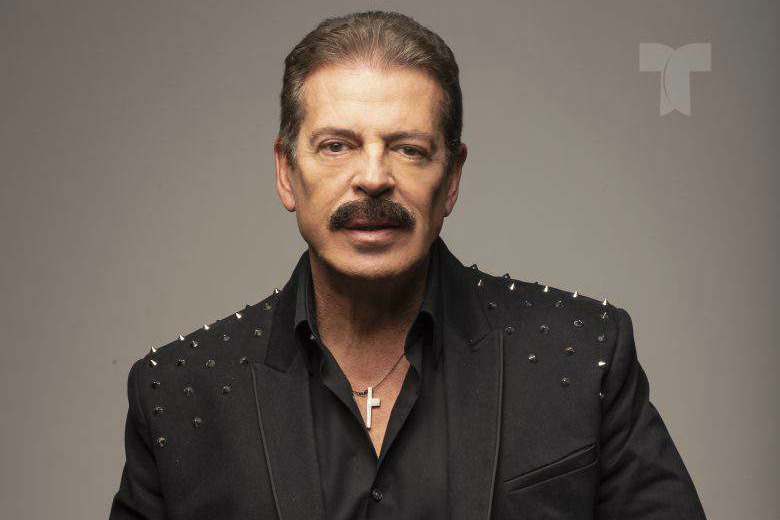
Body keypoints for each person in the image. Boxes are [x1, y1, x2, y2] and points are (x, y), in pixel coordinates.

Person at [109, 10, 707, 520]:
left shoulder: (583, 355)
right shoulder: (179, 394)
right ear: (286, 172)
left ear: (452, 179)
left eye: (409, 149)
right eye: (337, 145)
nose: (373, 177)